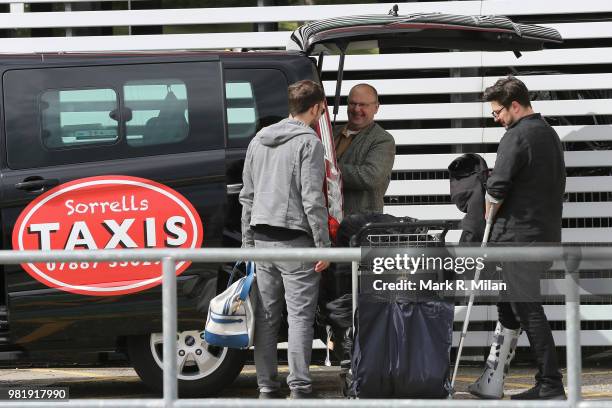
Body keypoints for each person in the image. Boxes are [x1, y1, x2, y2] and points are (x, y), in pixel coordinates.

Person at [468, 76, 566, 400]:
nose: (495, 118)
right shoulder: (549, 134)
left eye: (497, 112)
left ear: (514, 105)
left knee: (527, 309)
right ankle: (492, 381)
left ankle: (550, 383)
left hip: (518, 240)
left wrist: (485, 196)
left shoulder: (516, 136)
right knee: (510, 309)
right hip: (543, 235)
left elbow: (497, 190)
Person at [239, 80, 331, 400]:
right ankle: (300, 388)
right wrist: (323, 246)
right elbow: (312, 200)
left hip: (262, 239)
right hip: (295, 242)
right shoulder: (310, 143)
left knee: (266, 316)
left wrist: (247, 244)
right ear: (318, 107)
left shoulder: (258, 140)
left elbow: (247, 197)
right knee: (300, 317)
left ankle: (266, 386)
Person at [334, 84, 395, 216]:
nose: (356, 109)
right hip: (323, 222)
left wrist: (328, 170)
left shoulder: (383, 139)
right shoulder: (331, 132)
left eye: (363, 105)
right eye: (352, 103)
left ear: (376, 108)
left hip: (360, 225)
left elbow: (370, 176)